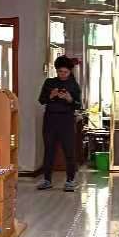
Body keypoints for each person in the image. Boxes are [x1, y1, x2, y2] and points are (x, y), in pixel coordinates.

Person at [37, 56, 81, 191]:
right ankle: (47, 180)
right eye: (60, 71)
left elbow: (78, 105)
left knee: (69, 150)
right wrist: (51, 96)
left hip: (66, 120)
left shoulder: (73, 85)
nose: (62, 74)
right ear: (56, 70)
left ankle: (70, 180)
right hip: (50, 119)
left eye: (65, 72)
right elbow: (41, 100)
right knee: (49, 150)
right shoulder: (49, 82)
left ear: (70, 71)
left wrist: (69, 99)